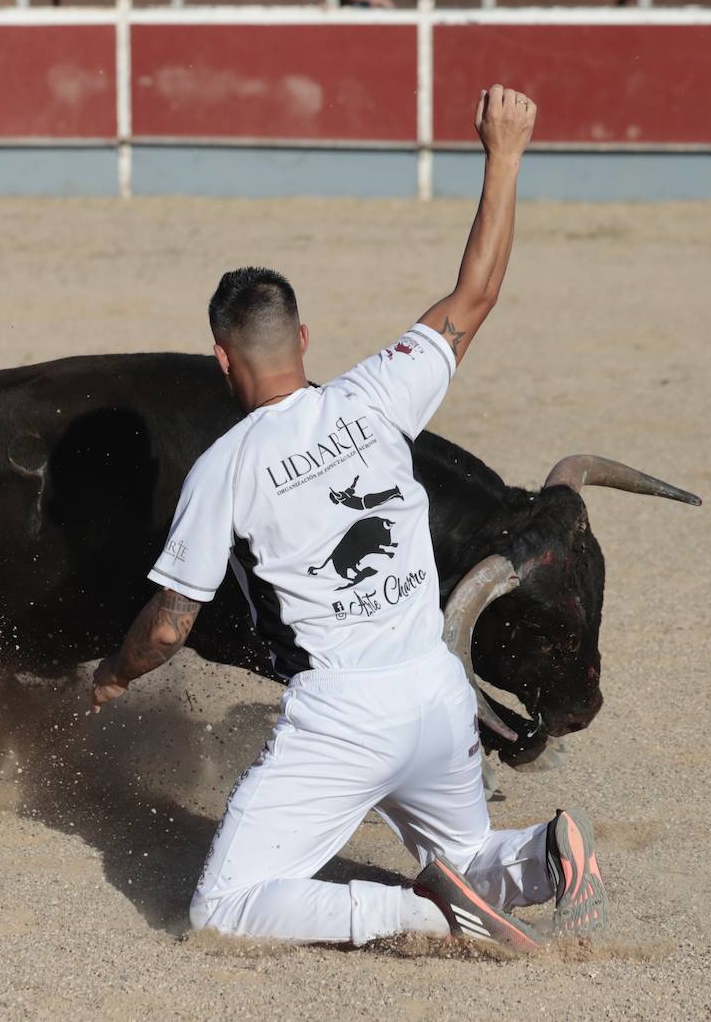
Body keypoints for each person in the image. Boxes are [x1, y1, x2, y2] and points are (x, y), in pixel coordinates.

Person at [91, 85, 609, 951]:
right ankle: (545, 857)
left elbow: (171, 625)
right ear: (303, 339)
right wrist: (505, 154)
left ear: (222, 358)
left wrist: (113, 673)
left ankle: (424, 914)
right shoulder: (375, 395)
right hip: (438, 693)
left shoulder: (225, 467)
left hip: (344, 714)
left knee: (222, 909)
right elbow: (474, 295)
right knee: (468, 849)